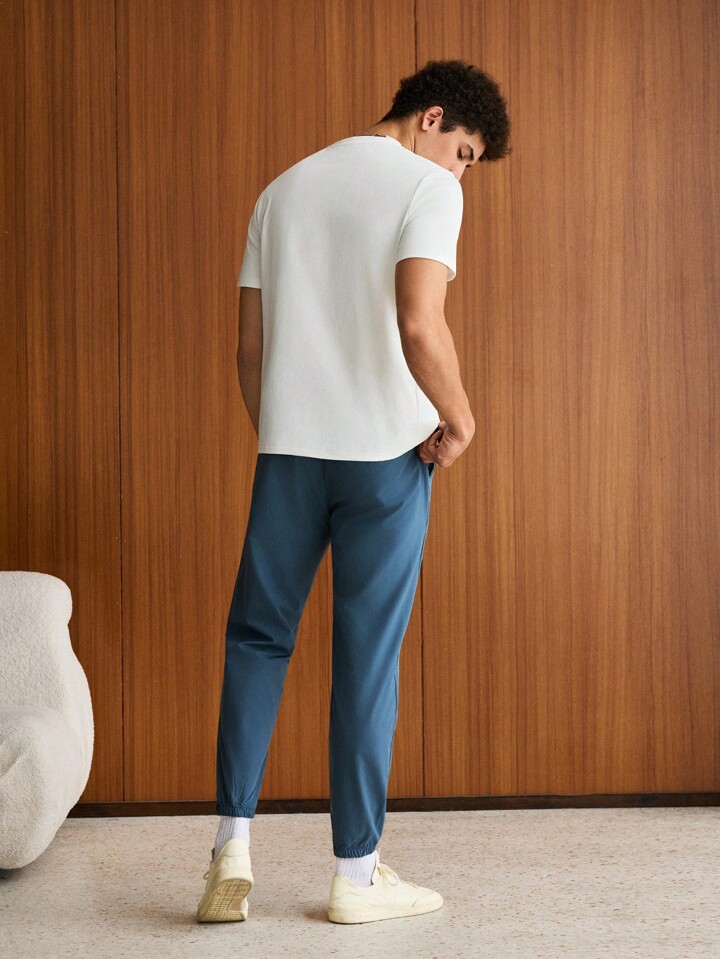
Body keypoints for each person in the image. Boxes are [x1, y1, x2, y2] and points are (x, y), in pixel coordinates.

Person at [196, 58, 511, 925]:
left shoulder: (281, 191)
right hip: (385, 457)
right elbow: (418, 320)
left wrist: (285, 430)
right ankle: (355, 873)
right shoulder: (427, 188)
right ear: (432, 116)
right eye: (466, 153)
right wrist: (460, 417)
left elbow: (249, 350)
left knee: (257, 638)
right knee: (366, 660)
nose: (462, 174)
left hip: (289, 453)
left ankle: (230, 844)